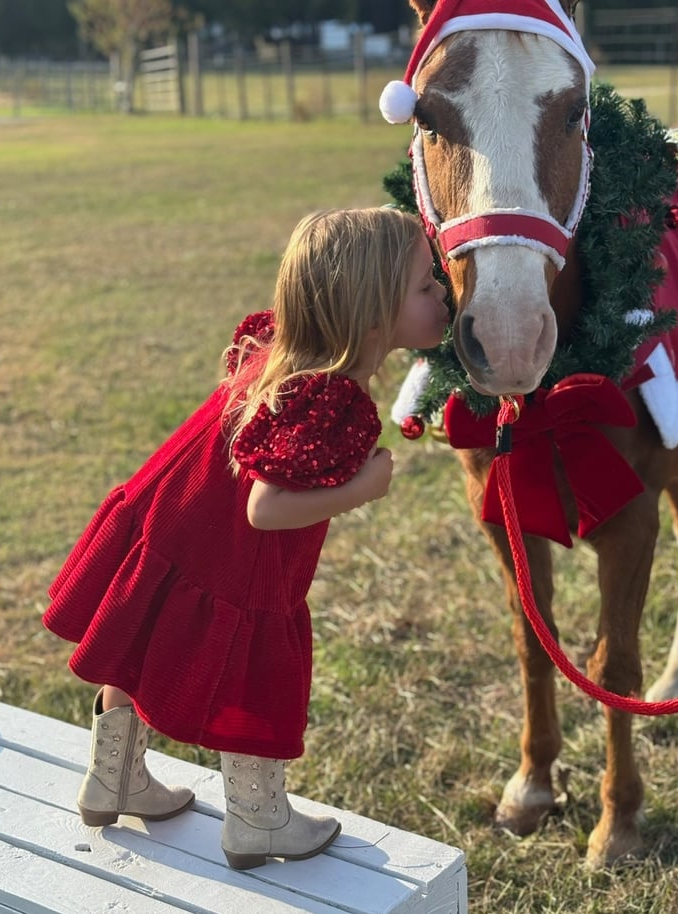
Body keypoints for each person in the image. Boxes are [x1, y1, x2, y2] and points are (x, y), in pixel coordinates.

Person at [42, 206, 449, 870]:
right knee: (257, 673)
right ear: (373, 314)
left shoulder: (283, 360)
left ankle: (112, 777)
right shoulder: (331, 398)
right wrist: (363, 488)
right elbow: (267, 507)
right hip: (237, 555)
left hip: (178, 523)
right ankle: (257, 818)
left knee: (138, 639)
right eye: (427, 288)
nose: (443, 298)